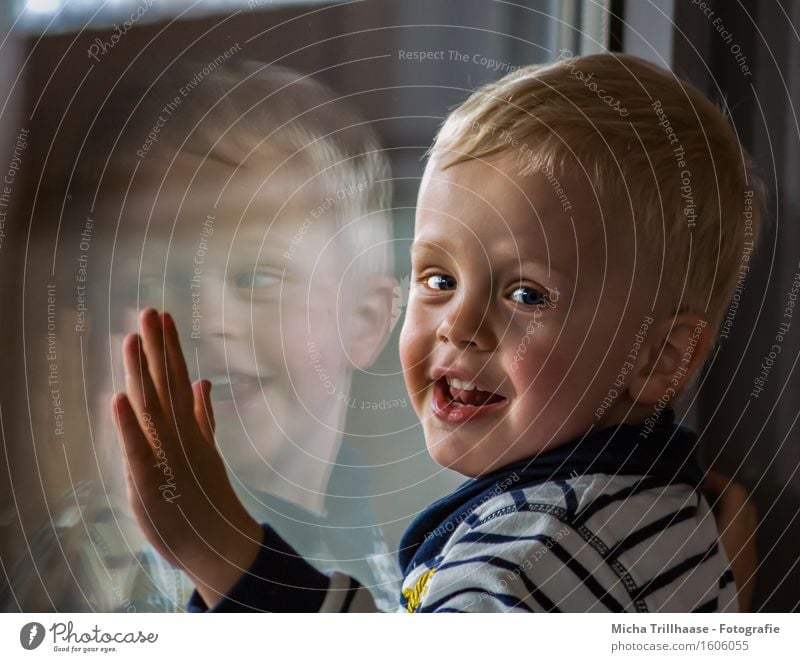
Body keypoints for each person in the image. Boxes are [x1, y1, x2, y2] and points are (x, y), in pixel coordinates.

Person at [111, 53, 764, 612]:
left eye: (526, 294)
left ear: (658, 358)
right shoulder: (662, 508)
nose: (458, 325)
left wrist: (220, 551)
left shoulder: (534, 552)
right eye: (439, 279)